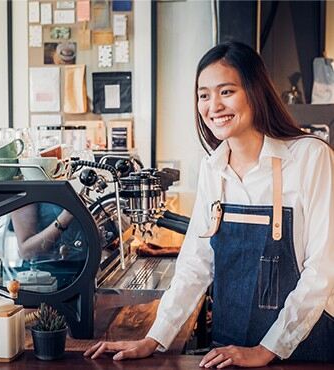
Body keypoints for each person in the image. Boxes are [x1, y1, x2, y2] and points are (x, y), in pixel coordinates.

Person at [84, 41, 334, 367]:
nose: (213, 105)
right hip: (231, 349)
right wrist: (154, 338)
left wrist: (267, 349)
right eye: (204, 95)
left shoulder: (310, 157)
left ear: (255, 91)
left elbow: (323, 270)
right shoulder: (212, 168)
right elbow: (195, 264)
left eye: (226, 91)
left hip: (303, 346)